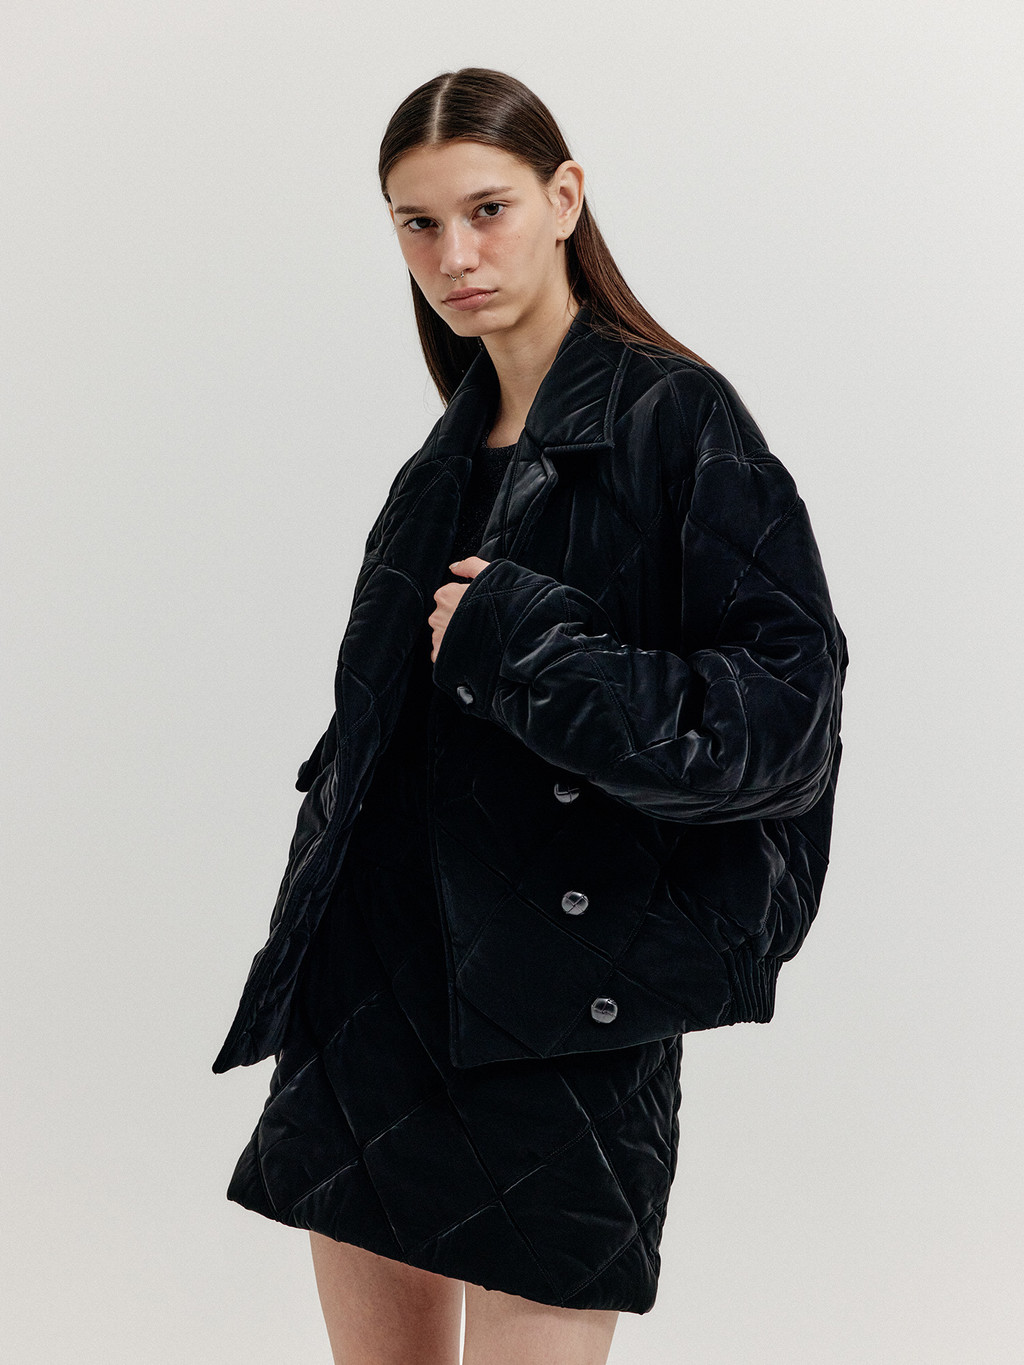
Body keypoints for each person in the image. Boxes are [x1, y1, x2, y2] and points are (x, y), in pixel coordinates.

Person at [212, 67, 848, 1365]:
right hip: (372, 997)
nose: (454, 255)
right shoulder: (445, 456)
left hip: (562, 1009)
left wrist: (532, 651)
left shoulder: (678, 419)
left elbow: (784, 729)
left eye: (486, 209)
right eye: (418, 222)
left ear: (565, 198)